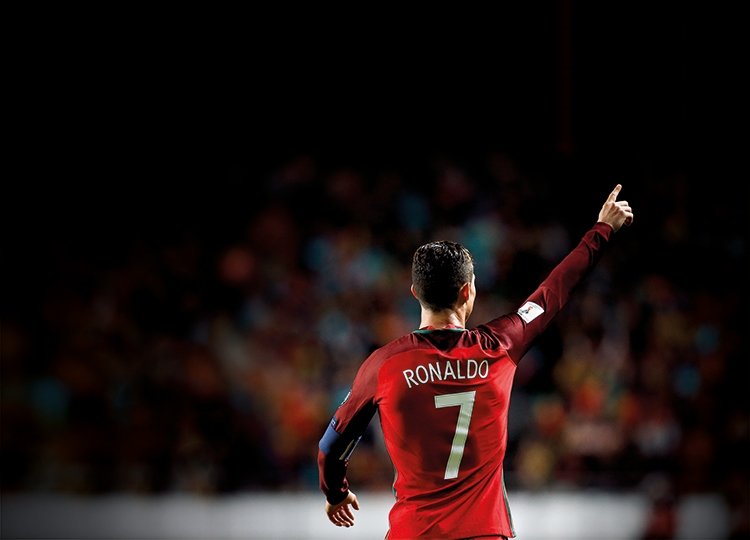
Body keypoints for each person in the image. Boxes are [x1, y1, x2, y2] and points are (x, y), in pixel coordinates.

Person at [318, 184, 634, 539]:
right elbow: (552, 293)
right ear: (468, 291)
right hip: (484, 532)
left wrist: (336, 493)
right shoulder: (500, 345)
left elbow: (331, 448)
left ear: (415, 293)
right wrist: (601, 230)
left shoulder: (383, 365)